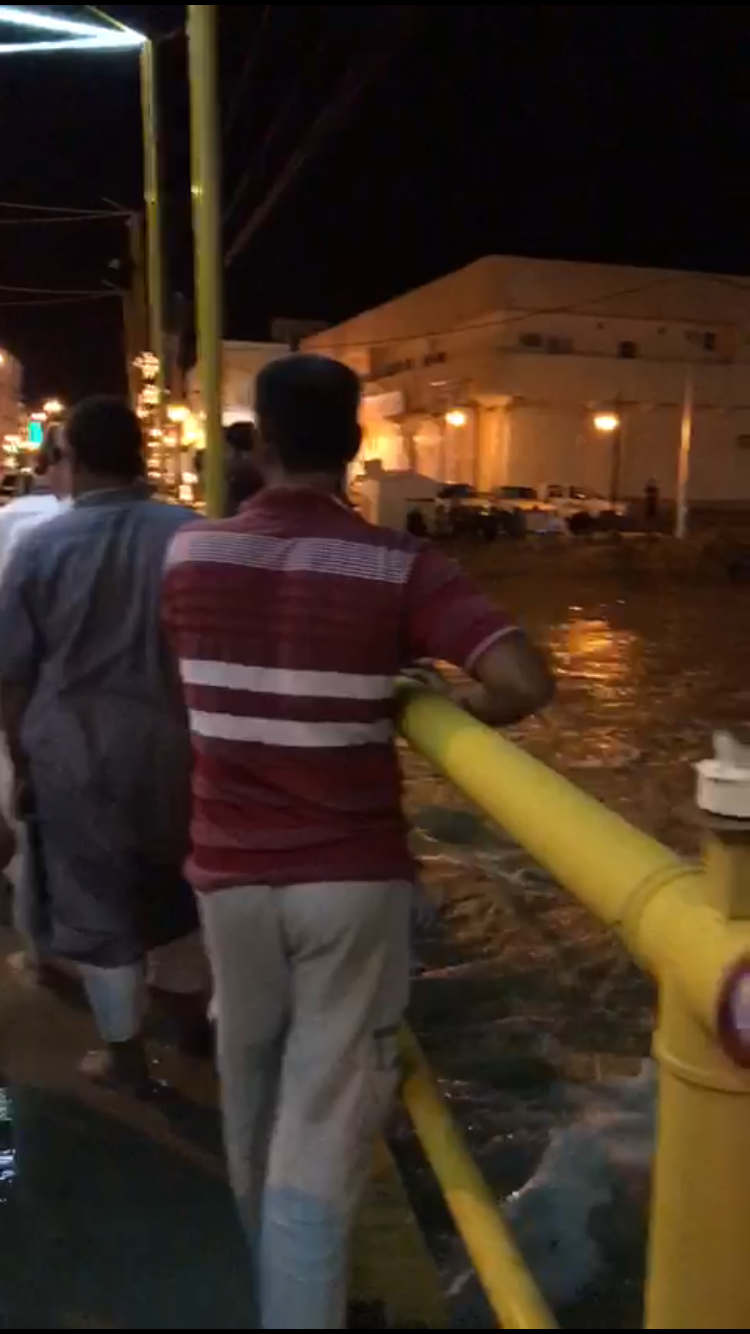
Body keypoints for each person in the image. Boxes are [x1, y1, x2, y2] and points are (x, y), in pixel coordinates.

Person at [162, 355, 553, 1329]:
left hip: (229, 878)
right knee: (323, 1129)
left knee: (252, 1094)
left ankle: (271, 1284)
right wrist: (433, 701)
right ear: (355, 445)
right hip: (348, 879)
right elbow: (523, 681)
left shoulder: (189, 555)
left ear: (258, 445)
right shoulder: (397, 564)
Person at [0, 396, 206, 1093]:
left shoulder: (40, 548)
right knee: (177, 891)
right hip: (182, 748)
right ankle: (191, 1024)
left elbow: (13, 673)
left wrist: (23, 764)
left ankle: (125, 1058)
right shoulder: (191, 534)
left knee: (96, 904)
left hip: (74, 753)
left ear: (76, 460)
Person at [0, 426, 70, 981]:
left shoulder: (18, 523)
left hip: (33, 694)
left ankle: (41, 949)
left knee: (35, 828)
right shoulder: (168, 527)